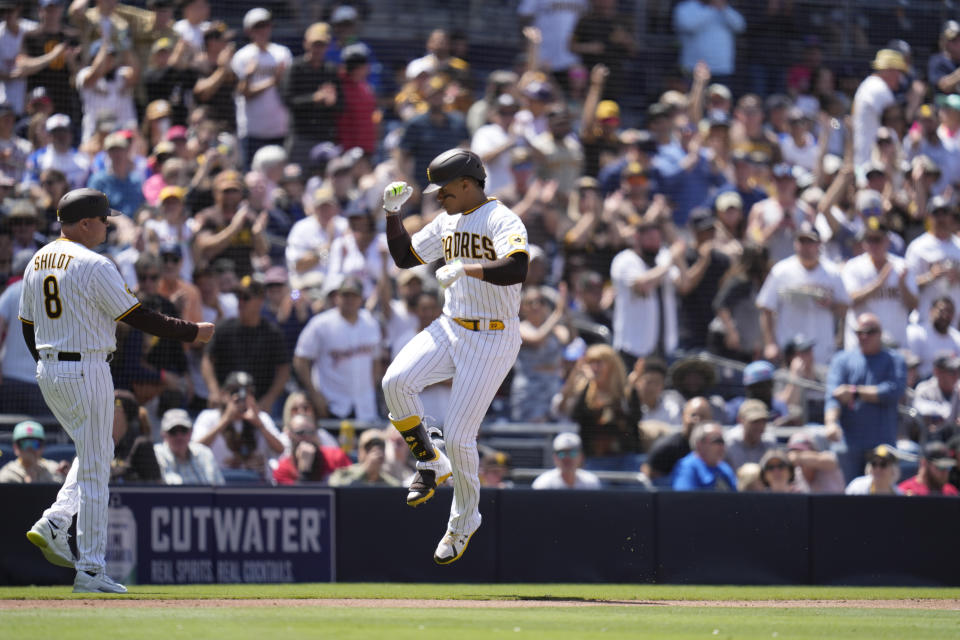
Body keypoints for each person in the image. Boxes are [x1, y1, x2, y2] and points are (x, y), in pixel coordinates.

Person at [19, 187, 214, 593]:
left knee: (97, 451)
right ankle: (90, 569)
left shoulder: (35, 261)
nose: (108, 225)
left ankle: (56, 520)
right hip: (87, 367)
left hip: (49, 368)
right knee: (95, 469)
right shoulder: (94, 263)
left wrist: (47, 362)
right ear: (86, 222)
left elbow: (27, 325)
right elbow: (137, 315)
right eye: (104, 220)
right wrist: (191, 331)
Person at [379, 148, 528, 565]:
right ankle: (429, 459)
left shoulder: (502, 219)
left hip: (492, 336)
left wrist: (467, 268)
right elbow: (406, 257)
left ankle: (464, 520)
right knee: (395, 382)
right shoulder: (447, 220)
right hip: (452, 324)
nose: (437, 197)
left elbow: (518, 268)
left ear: (467, 184)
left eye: (443, 189)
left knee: (462, 436)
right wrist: (392, 214)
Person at [825, 313, 907, 482]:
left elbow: (893, 391)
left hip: (881, 443)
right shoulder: (842, 360)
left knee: (881, 497)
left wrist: (856, 392)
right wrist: (831, 423)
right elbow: (834, 395)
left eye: (870, 331)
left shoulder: (894, 359)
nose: (864, 336)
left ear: (880, 333)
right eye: (859, 332)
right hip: (849, 444)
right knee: (851, 498)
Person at [756, 222, 850, 366]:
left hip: (822, 348)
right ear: (795, 244)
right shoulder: (781, 271)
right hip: (789, 347)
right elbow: (766, 307)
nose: (806, 247)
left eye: (810, 242)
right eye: (802, 241)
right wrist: (770, 343)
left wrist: (830, 304)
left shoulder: (832, 272)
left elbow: (845, 308)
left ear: (819, 244)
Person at [293, 275, 381, 421]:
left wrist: (370, 388)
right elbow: (300, 359)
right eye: (345, 295)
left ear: (361, 298)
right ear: (337, 297)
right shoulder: (321, 323)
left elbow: (376, 361)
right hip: (333, 405)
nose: (349, 300)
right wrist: (314, 394)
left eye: (354, 295)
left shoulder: (370, 322)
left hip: (365, 407)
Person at [191, 370, 284, 478]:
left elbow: (280, 449)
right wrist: (225, 420)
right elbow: (194, 449)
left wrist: (260, 425)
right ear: (224, 394)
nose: (241, 398)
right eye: (235, 391)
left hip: (256, 484)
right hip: (219, 484)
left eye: (247, 392)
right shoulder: (209, 416)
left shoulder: (262, 418)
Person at [841, 218, 917, 351]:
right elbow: (849, 300)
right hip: (860, 346)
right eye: (868, 240)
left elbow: (914, 305)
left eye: (877, 240)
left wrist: (902, 285)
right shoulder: (853, 267)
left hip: (894, 344)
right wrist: (878, 284)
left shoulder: (902, 266)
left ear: (887, 241)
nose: (873, 245)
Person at [230, 7, 291, 165]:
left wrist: (279, 81)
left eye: (265, 25)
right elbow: (244, 93)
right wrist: (270, 80)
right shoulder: (242, 56)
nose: (263, 30)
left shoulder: (282, 53)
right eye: (257, 26)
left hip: (279, 127)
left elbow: (288, 90)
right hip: (252, 129)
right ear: (248, 31)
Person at [272, 413, 351, 485]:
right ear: (290, 435)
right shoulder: (283, 469)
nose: (307, 437)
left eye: (311, 432)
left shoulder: (336, 457)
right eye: (300, 433)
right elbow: (297, 499)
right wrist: (304, 471)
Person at [152, 408, 223, 485]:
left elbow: (219, 488)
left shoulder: (205, 453)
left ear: (191, 431)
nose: (179, 436)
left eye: (183, 430)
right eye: (173, 431)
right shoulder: (156, 455)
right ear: (163, 434)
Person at [672, 422, 737, 491]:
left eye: (723, 441)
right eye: (717, 441)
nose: (721, 446)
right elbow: (683, 498)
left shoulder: (725, 468)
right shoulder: (687, 467)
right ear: (700, 445)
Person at [907, 296, 960, 380]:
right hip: (922, 383)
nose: (945, 315)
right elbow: (912, 368)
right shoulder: (917, 333)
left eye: (949, 312)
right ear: (931, 311)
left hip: (950, 386)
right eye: (941, 311)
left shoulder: (957, 338)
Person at [0, 420, 69, 483]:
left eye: (35, 444)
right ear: (16, 448)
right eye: (25, 444)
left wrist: (69, 474)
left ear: (42, 447)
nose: (30, 449)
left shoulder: (54, 470)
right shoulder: (7, 473)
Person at [328, 428, 400, 487]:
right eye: (368, 447)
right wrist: (365, 470)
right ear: (360, 452)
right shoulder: (343, 474)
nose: (375, 452)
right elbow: (335, 488)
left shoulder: (390, 482)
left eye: (381, 447)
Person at [531, 432, 601, 490]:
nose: (567, 458)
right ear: (554, 457)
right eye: (561, 454)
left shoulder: (592, 482)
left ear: (581, 456)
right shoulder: (543, 484)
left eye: (572, 453)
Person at [724, 399, 777, 471]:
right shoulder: (728, 443)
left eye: (763, 421)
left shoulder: (769, 443)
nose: (760, 426)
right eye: (755, 421)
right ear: (740, 420)